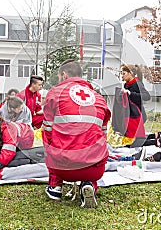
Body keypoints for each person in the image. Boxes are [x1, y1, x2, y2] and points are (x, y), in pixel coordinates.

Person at [42, 59, 111, 208]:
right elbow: (103, 136)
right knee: (94, 143)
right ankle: (89, 183)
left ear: (64, 75)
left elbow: (47, 132)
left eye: (59, 77)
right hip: (95, 168)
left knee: (50, 144)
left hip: (63, 169)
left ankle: (55, 186)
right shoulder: (99, 98)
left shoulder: (54, 93)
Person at [0, 114, 35, 179]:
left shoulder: (8, 130)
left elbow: (8, 152)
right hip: (14, 136)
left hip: (26, 137)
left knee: (14, 160)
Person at [120, 65, 151, 145]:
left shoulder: (137, 84)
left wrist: (130, 93)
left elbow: (147, 96)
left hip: (138, 116)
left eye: (124, 73)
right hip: (131, 116)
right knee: (134, 138)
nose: (122, 76)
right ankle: (157, 136)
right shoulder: (126, 85)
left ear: (131, 73)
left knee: (135, 141)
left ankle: (156, 142)